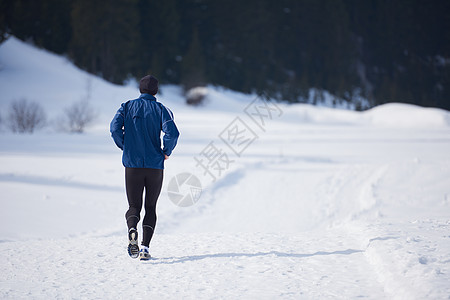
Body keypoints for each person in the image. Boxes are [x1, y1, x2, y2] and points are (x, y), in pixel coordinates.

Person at [110, 75, 179, 260]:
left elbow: (114, 128)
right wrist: (167, 151)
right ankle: (145, 248)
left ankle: (132, 228)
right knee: (150, 207)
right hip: (155, 166)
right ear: (156, 91)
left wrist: (125, 146)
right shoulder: (161, 109)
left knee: (134, 206)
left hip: (132, 164)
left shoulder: (126, 107)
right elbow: (172, 132)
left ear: (140, 89)